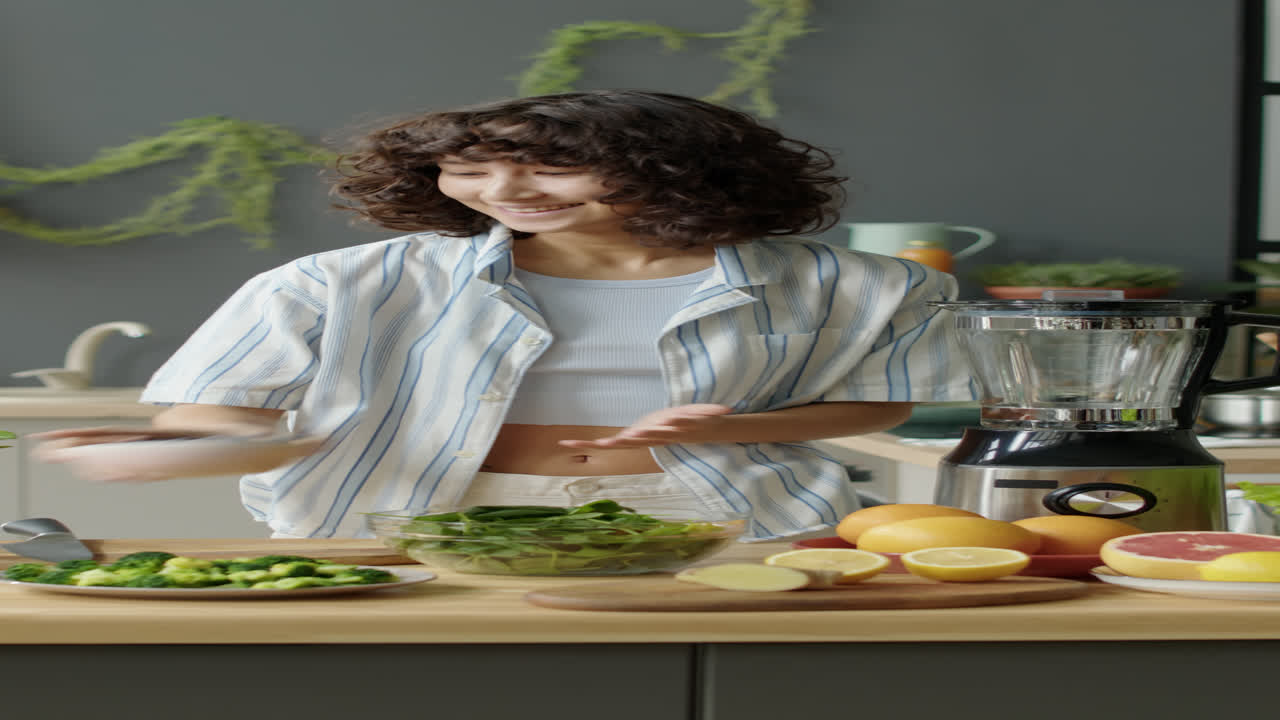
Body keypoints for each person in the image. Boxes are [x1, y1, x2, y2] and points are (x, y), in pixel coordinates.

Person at [36, 90, 975, 540]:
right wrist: (182, 453)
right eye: (473, 167)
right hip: (409, 521)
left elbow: (882, 406)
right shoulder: (338, 282)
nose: (504, 191)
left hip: (725, 519)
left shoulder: (858, 286)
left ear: (681, 171)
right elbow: (219, 423)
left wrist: (742, 427)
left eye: (548, 167)